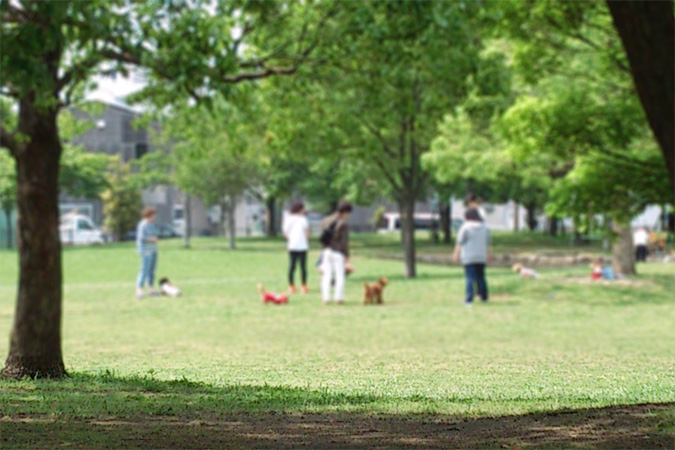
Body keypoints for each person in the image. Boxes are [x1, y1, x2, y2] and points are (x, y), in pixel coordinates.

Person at [453, 208, 492, 305]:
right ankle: (484, 297)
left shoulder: (465, 227)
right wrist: (489, 254)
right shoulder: (485, 228)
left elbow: (460, 242)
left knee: (470, 277)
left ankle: (469, 299)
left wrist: (456, 254)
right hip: (481, 256)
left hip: (468, 256)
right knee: (481, 277)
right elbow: (488, 243)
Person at [319, 201, 353, 304]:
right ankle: (338, 298)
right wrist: (346, 256)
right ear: (345, 212)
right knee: (339, 275)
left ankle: (326, 298)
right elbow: (344, 242)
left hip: (326, 250)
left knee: (326, 275)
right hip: (338, 251)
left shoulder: (326, 220)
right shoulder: (343, 224)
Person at [282, 201, 310, 294]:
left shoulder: (288, 219)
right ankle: (304, 285)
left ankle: (291, 285)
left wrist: (290, 240)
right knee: (303, 266)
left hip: (292, 246)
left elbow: (285, 232)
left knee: (292, 266)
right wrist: (305, 239)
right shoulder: (303, 219)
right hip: (302, 246)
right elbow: (306, 232)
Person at [136, 206, 159, 298]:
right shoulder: (143, 225)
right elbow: (141, 238)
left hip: (153, 250)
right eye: (153, 215)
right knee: (144, 269)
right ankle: (139, 289)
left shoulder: (152, 224)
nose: (154, 217)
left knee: (152, 270)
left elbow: (155, 234)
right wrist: (152, 239)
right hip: (145, 251)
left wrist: (155, 239)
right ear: (148, 215)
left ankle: (151, 289)